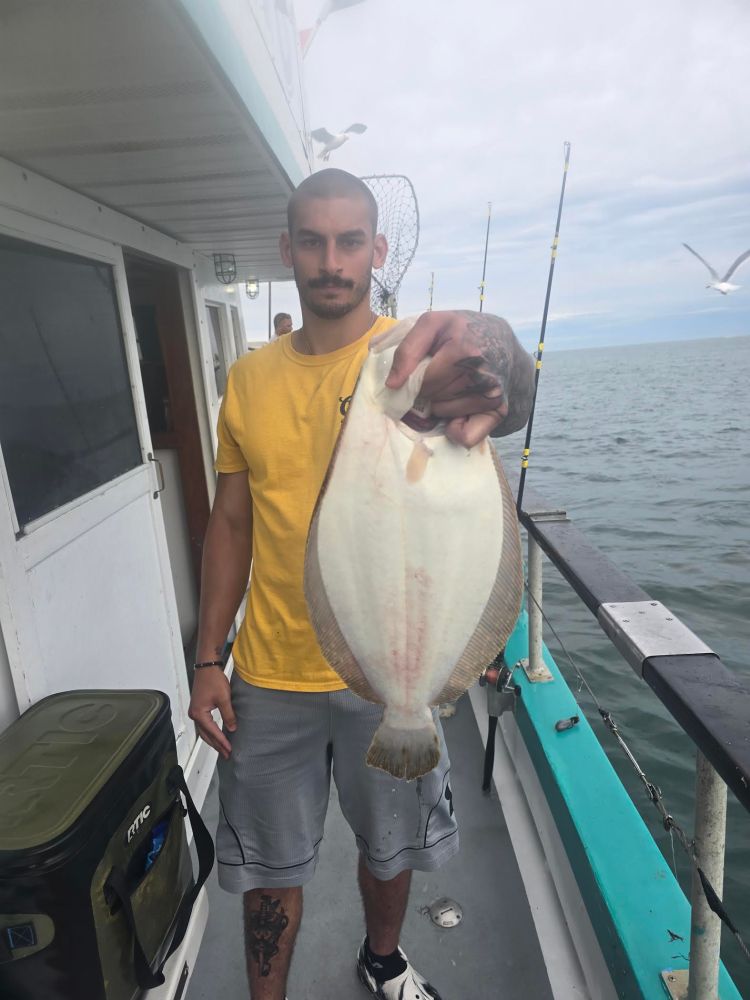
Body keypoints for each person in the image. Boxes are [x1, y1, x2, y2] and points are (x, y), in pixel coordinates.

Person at [189, 168, 534, 1000]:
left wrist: (493, 353)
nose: (331, 260)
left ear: (377, 250)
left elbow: (508, 385)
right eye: (313, 240)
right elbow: (231, 523)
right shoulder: (248, 380)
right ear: (288, 250)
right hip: (270, 675)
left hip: (394, 672)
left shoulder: (414, 353)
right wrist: (208, 658)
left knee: (391, 852)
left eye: (350, 241)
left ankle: (382, 959)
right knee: (269, 870)